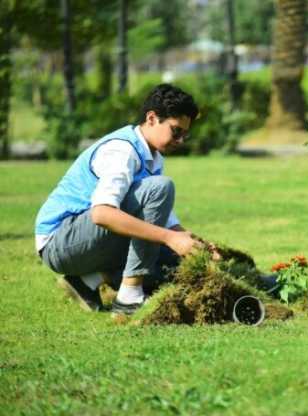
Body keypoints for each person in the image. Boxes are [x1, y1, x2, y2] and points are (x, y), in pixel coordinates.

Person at [35, 84, 210, 315]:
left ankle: (88, 281)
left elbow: (163, 221)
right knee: (161, 190)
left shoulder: (153, 156)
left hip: (88, 242)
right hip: (61, 243)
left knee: (176, 261)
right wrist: (169, 237)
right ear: (151, 118)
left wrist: (195, 244)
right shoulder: (122, 151)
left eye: (184, 135)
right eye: (176, 131)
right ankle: (129, 297)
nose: (180, 140)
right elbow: (102, 214)